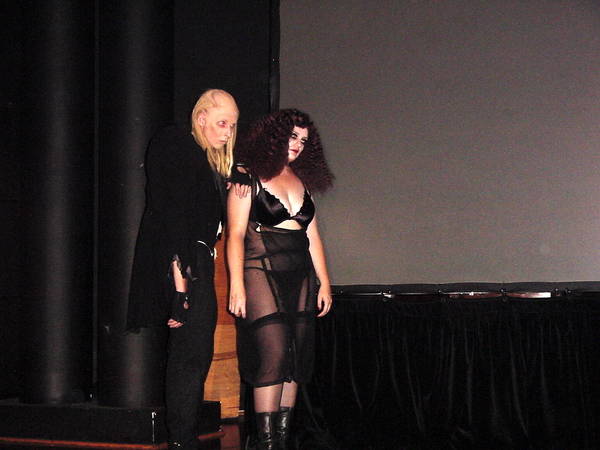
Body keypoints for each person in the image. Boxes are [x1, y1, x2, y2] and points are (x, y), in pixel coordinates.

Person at [127, 89, 245, 449]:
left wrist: (234, 175)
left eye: (232, 126)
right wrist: (180, 287)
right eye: (222, 123)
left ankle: (184, 437)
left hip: (197, 261)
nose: (227, 132)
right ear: (201, 117)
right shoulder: (177, 144)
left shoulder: (206, 162)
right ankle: (182, 439)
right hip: (185, 263)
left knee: (195, 354)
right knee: (189, 356)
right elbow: (172, 217)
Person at [227, 109, 334, 450]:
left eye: (304, 140)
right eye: (292, 136)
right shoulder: (248, 176)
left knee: (295, 357)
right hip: (260, 268)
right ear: (275, 136)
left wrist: (325, 282)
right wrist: (236, 284)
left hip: (300, 273)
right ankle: (266, 442)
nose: (298, 144)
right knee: (271, 354)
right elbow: (235, 234)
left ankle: (281, 440)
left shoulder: (303, 181)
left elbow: (312, 236)